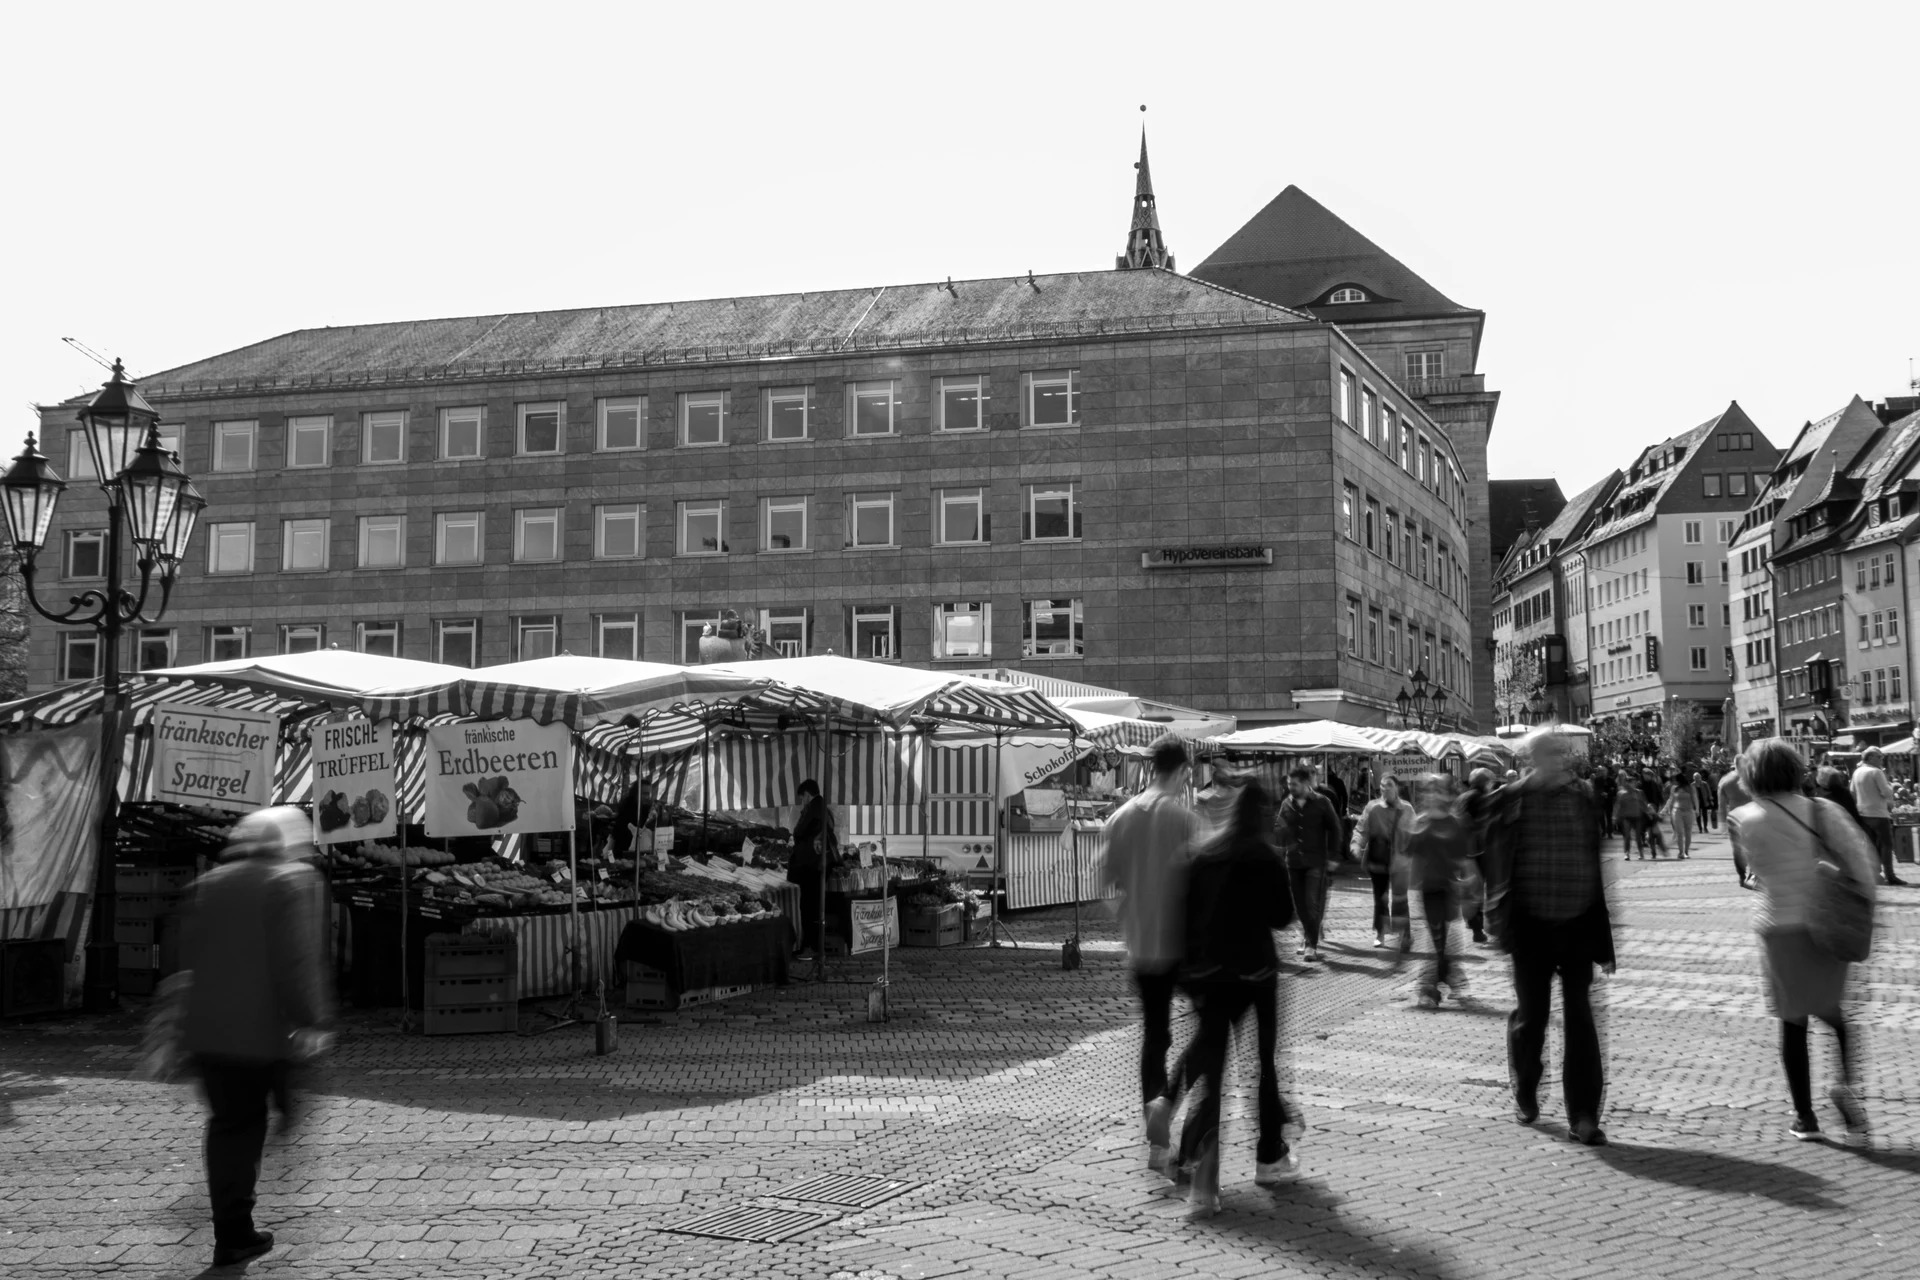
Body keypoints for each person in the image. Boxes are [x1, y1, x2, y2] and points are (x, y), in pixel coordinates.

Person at [180, 806, 332, 1269]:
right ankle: (237, 1230)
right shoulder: (288, 881)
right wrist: (312, 1019)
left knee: (228, 1126)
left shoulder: (207, 884)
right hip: (258, 1031)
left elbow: (186, 956)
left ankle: (232, 1231)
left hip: (205, 1030)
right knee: (253, 1123)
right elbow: (296, 962)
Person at [1725, 739, 1877, 1142]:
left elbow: (1753, 874)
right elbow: (1863, 865)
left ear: (1752, 775)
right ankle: (1845, 1085)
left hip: (1778, 927)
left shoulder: (1743, 817)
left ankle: (1805, 1116)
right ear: (1795, 770)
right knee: (1834, 1014)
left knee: (1792, 1024)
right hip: (1825, 923)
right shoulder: (1823, 811)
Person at [1173, 776, 1299, 1214]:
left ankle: (1204, 1185)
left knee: (1212, 1076)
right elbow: (1283, 917)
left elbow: (1184, 918)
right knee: (1262, 1067)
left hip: (1210, 976)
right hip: (1257, 973)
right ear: (1262, 815)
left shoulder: (1204, 854)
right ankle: (1269, 1156)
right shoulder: (1265, 855)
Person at [1484, 728, 1615, 1146]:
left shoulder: (1583, 797)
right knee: (1532, 1018)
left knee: (1580, 1019)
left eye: (1559, 754)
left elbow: (1597, 869)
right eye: (1547, 754)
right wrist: (1495, 917)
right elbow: (1494, 861)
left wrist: (1604, 940)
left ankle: (1583, 1116)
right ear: (1529, 760)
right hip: (1530, 928)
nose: (1556, 761)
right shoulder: (1512, 800)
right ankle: (1525, 1084)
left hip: (1577, 924)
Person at [1100, 737, 1197, 1173]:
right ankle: (1174, 1104)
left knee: (1155, 1038)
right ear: (1181, 772)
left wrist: (1130, 916)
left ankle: (1156, 1137)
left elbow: (1105, 887)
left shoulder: (1119, 819)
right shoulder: (1183, 820)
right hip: (1184, 944)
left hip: (1141, 946)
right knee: (1210, 1029)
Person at [1405, 773, 1471, 1005]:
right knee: (1432, 939)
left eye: (1438, 790)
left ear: (1446, 794)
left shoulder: (1453, 823)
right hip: (1425, 891)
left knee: (1447, 939)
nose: (1433, 795)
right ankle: (1429, 987)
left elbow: (1463, 859)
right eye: (1429, 790)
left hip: (1449, 890)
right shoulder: (1420, 822)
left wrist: (1468, 884)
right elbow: (1407, 858)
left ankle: (1448, 976)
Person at [1277, 766, 1343, 961]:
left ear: (1306, 784)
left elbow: (1336, 829)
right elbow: (1279, 827)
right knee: (1299, 906)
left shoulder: (1323, 802)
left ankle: (1310, 944)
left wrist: (1333, 857)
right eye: (1289, 784)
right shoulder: (1286, 804)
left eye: (1294, 784)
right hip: (1293, 861)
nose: (1291, 788)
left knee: (1311, 902)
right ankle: (1309, 936)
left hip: (1316, 861)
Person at [1357, 776, 1414, 948]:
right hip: (1379, 860)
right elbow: (1361, 829)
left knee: (1400, 899)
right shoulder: (1372, 807)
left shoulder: (1407, 809)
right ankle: (1381, 932)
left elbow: (1414, 834)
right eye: (1382, 787)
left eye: (1389, 786)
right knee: (1380, 898)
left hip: (1401, 862)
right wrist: (1356, 845)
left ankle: (1404, 934)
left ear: (1397, 788)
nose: (1385, 789)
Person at [789, 779, 835, 958]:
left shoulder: (813, 809)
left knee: (808, 906)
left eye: (802, 798)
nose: (802, 801)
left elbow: (799, 832)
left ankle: (811, 947)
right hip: (818, 863)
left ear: (807, 795)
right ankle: (815, 946)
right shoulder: (823, 807)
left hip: (811, 865)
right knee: (815, 905)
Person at [1458, 768, 1501, 943]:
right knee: (1478, 889)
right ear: (1484, 783)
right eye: (1489, 782)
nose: (1490, 786)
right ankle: (1478, 927)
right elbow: (1486, 823)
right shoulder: (1480, 798)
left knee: (1470, 888)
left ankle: (1472, 921)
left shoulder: (1462, 797)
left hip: (1462, 850)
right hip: (1477, 850)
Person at [1851, 747, 1906, 886]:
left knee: (1870, 845)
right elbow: (1886, 793)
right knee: (1886, 845)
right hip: (1878, 813)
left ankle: (1873, 873)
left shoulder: (1857, 772)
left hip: (1863, 812)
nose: (1882, 759)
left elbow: (1852, 791)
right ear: (1870, 758)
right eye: (1879, 757)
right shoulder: (1876, 772)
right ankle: (1890, 875)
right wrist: (1890, 786)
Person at [1720, 764, 1754, 885]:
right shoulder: (1751, 778)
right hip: (1751, 816)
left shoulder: (1725, 781)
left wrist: (1722, 822)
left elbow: (1722, 805)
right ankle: (1752, 873)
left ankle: (1741, 875)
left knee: (1737, 848)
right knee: (1752, 846)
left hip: (1734, 817)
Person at [1613, 779, 1649, 858]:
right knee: (1627, 836)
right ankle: (1627, 853)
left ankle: (1641, 853)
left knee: (1638, 836)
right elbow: (1618, 805)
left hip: (1637, 817)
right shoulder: (1622, 794)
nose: (1632, 785)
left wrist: (1648, 813)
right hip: (1626, 817)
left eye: (1633, 783)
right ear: (1627, 784)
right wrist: (1615, 817)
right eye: (1630, 783)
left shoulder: (1639, 792)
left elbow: (1643, 804)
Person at [1665, 776, 1696, 859]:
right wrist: (1669, 810)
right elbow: (1671, 800)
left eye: (1675, 780)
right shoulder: (1674, 789)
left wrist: (1696, 809)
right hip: (1677, 811)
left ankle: (1686, 852)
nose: (1673, 782)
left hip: (1688, 811)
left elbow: (1695, 798)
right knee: (1679, 833)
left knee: (1688, 832)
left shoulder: (1690, 788)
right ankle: (1680, 852)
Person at [1592, 766, 1618, 840]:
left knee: (1609, 817)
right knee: (1601, 817)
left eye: (1604, 771)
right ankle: (1603, 831)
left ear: (1606, 771)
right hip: (1600, 800)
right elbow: (1596, 789)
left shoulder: (1611, 780)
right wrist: (1601, 793)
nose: (1603, 772)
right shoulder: (1597, 780)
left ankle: (1609, 833)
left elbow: (1614, 789)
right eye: (1601, 771)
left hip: (1608, 800)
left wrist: (1608, 794)